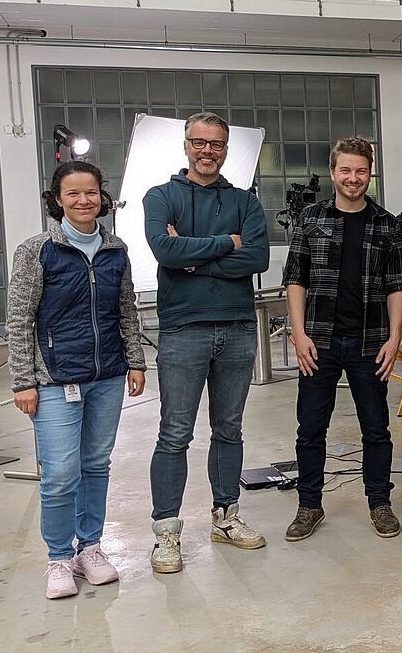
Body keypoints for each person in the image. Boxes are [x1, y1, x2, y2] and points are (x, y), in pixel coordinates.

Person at [6, 160, 147, 599]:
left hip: (106, 377)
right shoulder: (37, 250)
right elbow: (18, 318)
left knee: (95, 465)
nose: (84, 200)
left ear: (102, 197)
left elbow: (125, 310)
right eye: (73, 193)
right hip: (53, 379)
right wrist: (22, 380)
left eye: (91, 192)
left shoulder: (115, 249)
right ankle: (58, 558)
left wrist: (136, 361)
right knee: (61, 473)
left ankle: (91, 548)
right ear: (58, 199)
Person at [143, 111, 271, 573]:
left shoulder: (245, 202)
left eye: (216, 144)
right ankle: (166, 532)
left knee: (229, 429)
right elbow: (164, 250)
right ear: (186, 145)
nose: (207, 151)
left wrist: (196, 258)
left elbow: (256, 257)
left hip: (237, 328)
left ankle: (225, 516)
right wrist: (225, 245)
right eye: (199, 142)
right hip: (183, 330)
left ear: (225, 149)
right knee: (174, 434)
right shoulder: (161, 196)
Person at [283, 137, 402, 541]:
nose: (353, 179)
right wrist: (298, 334)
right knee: (310, 429)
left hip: (370, 343)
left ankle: (379, 502)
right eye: (346, 170)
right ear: (334, 171)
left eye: (361, 171)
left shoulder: (386, 223)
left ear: (370, 174)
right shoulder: (310, 219)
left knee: (376, 428)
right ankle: (309, 505)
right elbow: (295, 278)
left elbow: (395, 287)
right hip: (318, 342)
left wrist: (394, 338)